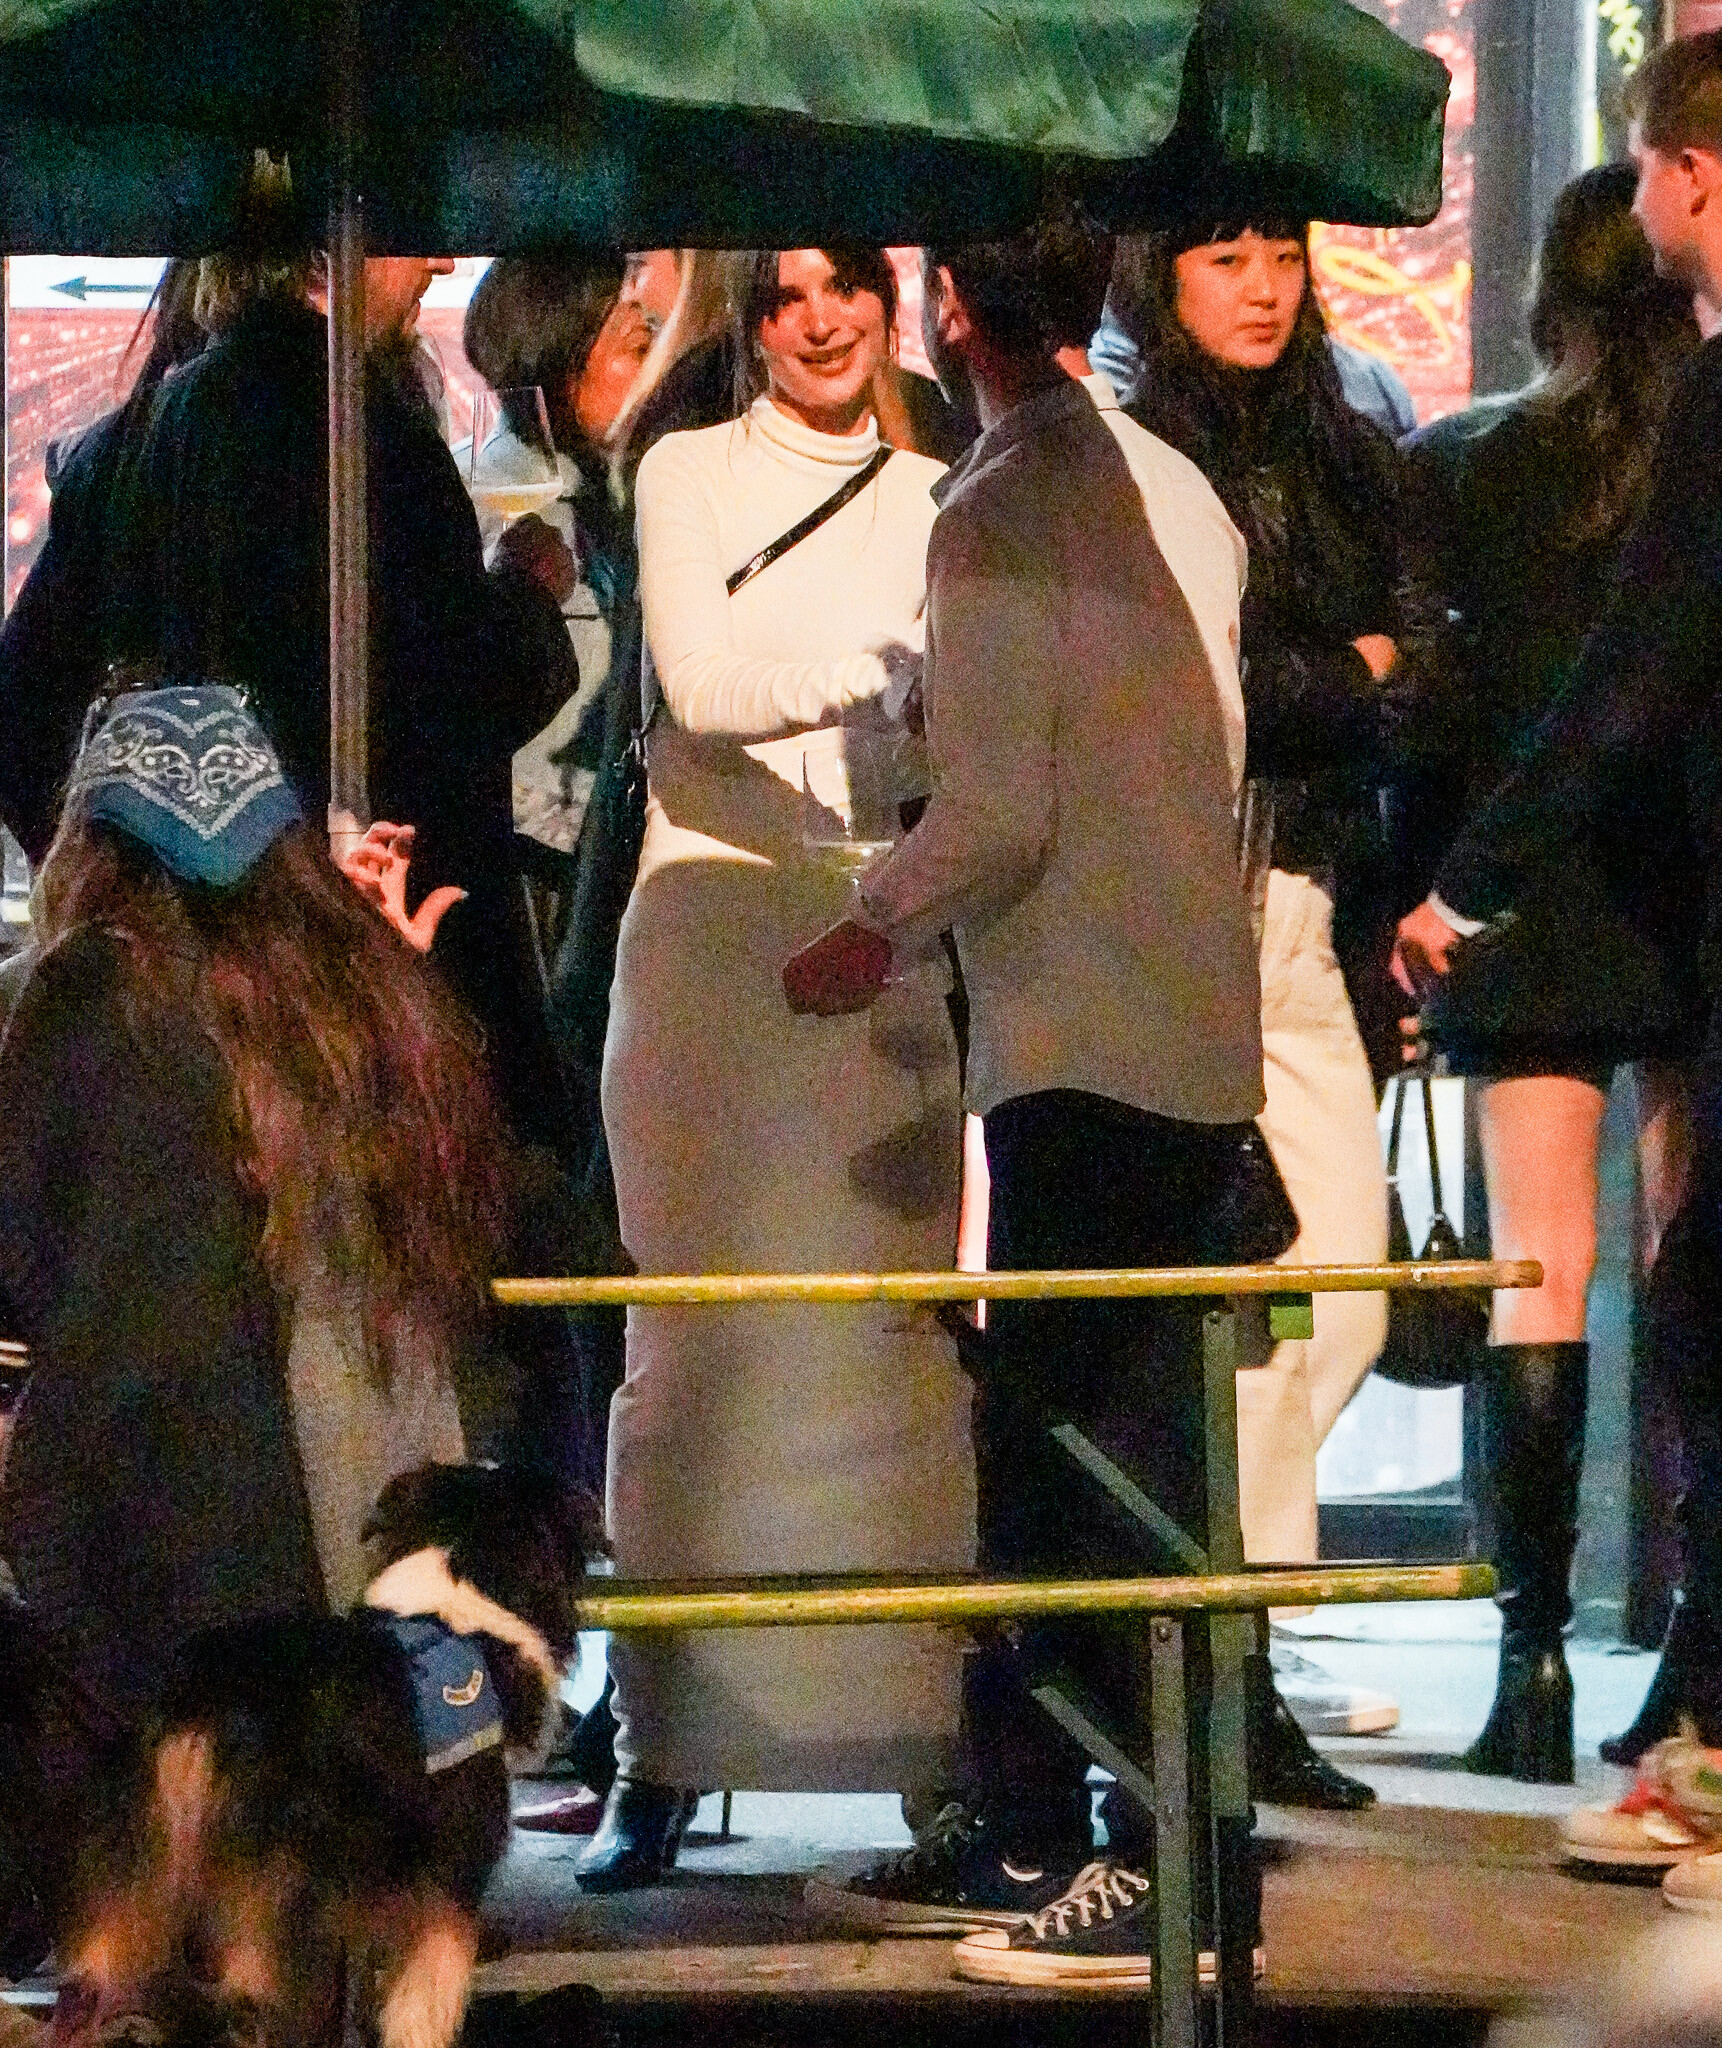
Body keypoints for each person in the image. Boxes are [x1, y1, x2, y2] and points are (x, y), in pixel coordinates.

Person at [784, 212, 1271, 1984]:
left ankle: (1131, 1861)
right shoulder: (1169, 485)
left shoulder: (993, 504)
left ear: (945, 309)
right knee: (1134, 1451)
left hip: (1079, 1032)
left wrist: (864, 923)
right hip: (1192, 1016)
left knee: (1085, 1458)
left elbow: (996, 810)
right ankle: (1060, 1824)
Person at [0, 684, 521, 1946]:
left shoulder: (92, 992)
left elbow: (35, 1262)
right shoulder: (376, 999)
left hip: (181, 1622)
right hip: (390, 1633)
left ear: (92, 843)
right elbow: (536, 1227)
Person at [586, 245, 971, 1890]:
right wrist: (884, 672)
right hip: (709, 934)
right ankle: (658, 1748)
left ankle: (924, 1751)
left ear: (889, 304)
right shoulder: (684, 470)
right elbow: (699, 683)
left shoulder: (948, 496)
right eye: (789, 294)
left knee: (889, 1345)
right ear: (747, 320)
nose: (822, 320)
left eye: (849, 289)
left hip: (878, 925)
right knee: (691, 1345)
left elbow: (972, 738)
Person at [1389, 31, 1722, 1887]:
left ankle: (1523, 1655)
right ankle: (1680, 1647)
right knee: (1686, 1261)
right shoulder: (1681, 434)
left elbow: (1492, 697)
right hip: (1670, 899)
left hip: (1532, 907)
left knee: (1543, 1267)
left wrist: (1447, 877)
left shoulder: (1472, 464)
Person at [0, 180, 579, 1163]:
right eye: (417, 233)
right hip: (374, 1004)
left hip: (186, 1018)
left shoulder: (123, 450)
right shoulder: (369, 441)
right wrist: (527, 596)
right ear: (332, 245)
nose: (442, 263)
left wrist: (134, 897)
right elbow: (451, 706)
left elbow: (23, 726)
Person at [1115, 215, 1454, 1802]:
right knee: (1236, 1308)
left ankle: (1221, 1637)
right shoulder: (1139, 449)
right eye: (1223, 259)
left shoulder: (1351, 440)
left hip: (1311, 902)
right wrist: (1347, 670)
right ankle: (1224, 1674)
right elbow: (1212, 688)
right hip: (1184, 904)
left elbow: (1422, 670)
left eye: (1280, 257)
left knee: (1345, 1294)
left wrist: (1344, 677)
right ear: (1161, 280)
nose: (1261, 287)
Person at [462, 254, 651, 858]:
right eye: (639, 349)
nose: (656, 374)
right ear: (560, 366)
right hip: (540, 854)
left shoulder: (631, 488)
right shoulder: (484, 500)